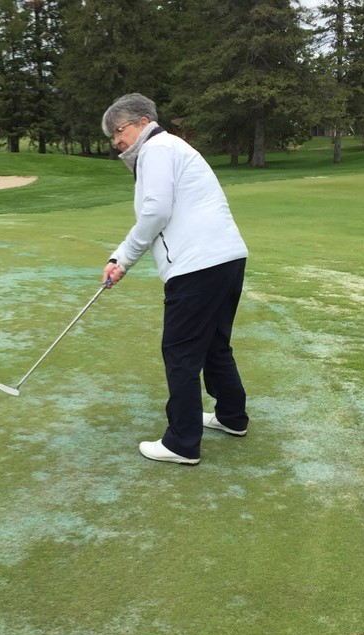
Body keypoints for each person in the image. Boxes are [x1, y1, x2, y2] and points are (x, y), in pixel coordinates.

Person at [101, 93, 249, 465]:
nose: (116, 141)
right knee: (215, 345)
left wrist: (124, 259)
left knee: (181, 352)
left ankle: (182, 443)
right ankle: (232, 417)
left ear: (141, 122)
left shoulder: (156, 150)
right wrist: (122, 255)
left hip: (197, 266)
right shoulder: (170, 147)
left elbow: (155, 211)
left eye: (119, 131)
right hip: (226, 259)